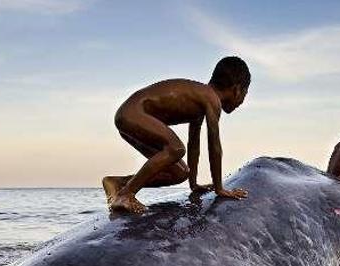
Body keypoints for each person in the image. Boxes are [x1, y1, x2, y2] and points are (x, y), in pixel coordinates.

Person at [102, 56, 251, 214]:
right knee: (176, 149)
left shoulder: (202, 99)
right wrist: (220, 188)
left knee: (179, 173)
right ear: (237, 90)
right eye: (245, 94)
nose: (242, 101)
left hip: (130, 116)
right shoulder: (211, 99)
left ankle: (117, 183)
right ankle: (126, 194)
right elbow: (214, 145)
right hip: (133, 113)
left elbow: (194, 144)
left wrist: (193, 184)